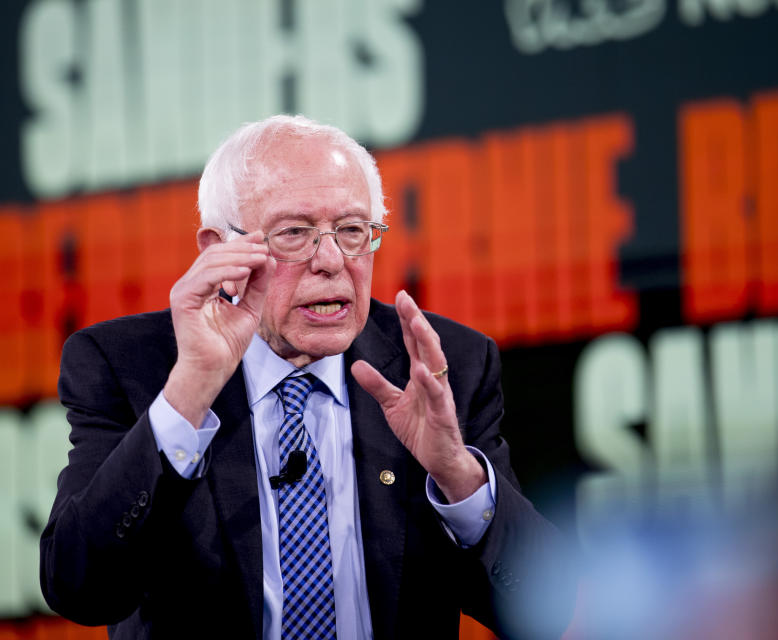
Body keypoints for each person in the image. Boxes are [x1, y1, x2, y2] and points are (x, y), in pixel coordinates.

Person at [40, 115, 574, 639]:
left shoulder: (440, 365)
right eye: (294, 233)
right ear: (218, 250)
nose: (331, 260)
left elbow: (546, 608)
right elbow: (81, 589)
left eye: (351, 231)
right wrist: (189, 393)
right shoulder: (129, 365)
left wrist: (457, 474)